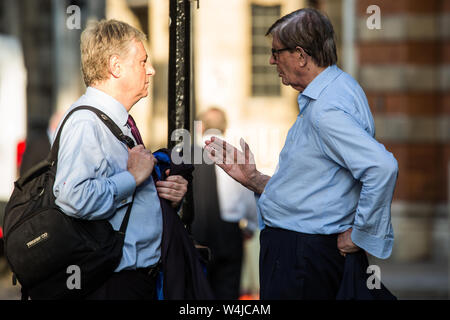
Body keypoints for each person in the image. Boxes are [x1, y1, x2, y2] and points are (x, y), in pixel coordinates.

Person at [205, 8, 399, 300]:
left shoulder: (325, 109)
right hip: (303, 254)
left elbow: (382, 167)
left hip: (302, 258)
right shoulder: (339, 88)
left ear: (300, 55)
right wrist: (255, 179)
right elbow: (317, 187)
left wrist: (361, 234)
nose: (271, 60)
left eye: (276, 52)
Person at [52, 19, 188, 300]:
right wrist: (133, 178)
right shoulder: (86, 123)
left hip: (134, 280)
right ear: (115, 67)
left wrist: (164, 193)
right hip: (111, 284)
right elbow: (72, 196)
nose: (150, 70)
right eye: (142, 61)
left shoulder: (115, 121)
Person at [191, 107, 258, 300]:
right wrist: (251, 226)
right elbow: (247, 191)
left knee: (198, 292)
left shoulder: (188, 154)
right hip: (229, 232)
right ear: (225, 126)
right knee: (227, 291)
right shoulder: (234, 155)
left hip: (197, 232)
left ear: (200, 126)